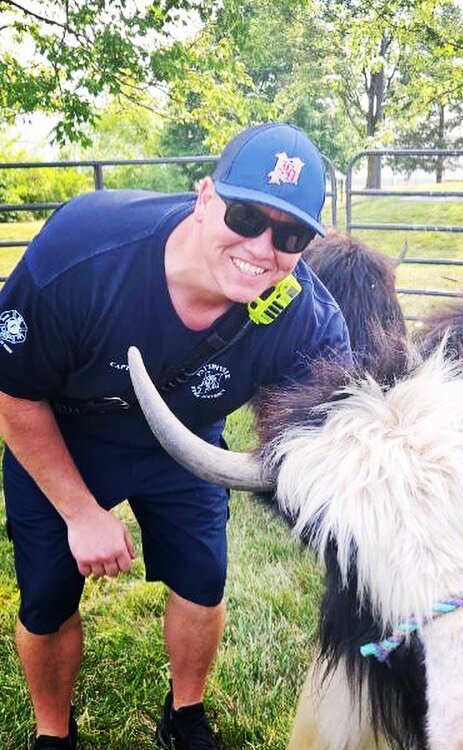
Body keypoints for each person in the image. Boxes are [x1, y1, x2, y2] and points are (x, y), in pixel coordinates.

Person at [0, 123, 351, 750]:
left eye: (290, 234)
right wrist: (81, 513)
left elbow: (342, 419)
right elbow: (13, 391)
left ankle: (185, 714)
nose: (262, 248)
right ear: (205, 196)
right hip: (64, 428)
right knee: (46, 597)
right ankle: (52, 732)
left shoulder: (307, 319)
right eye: (245, 216)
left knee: (202, 577)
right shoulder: (84, 251)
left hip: (185, 436)